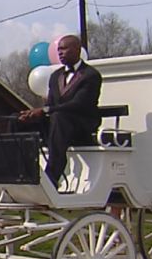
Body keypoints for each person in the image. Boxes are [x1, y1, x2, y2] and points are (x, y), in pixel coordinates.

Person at [17, 34, 102, 189]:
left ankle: (52, 177)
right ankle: (20, 170)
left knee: (59, 117)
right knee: (19, 120)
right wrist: (33, 115)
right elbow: (50, 103)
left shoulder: (91, 75)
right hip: (59, 124)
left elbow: (78, 104)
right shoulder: (56, 76)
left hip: (80, 127)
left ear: (77, 50)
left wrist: (45, 110)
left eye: (64, 49)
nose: (60, 53)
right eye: (59, 50)